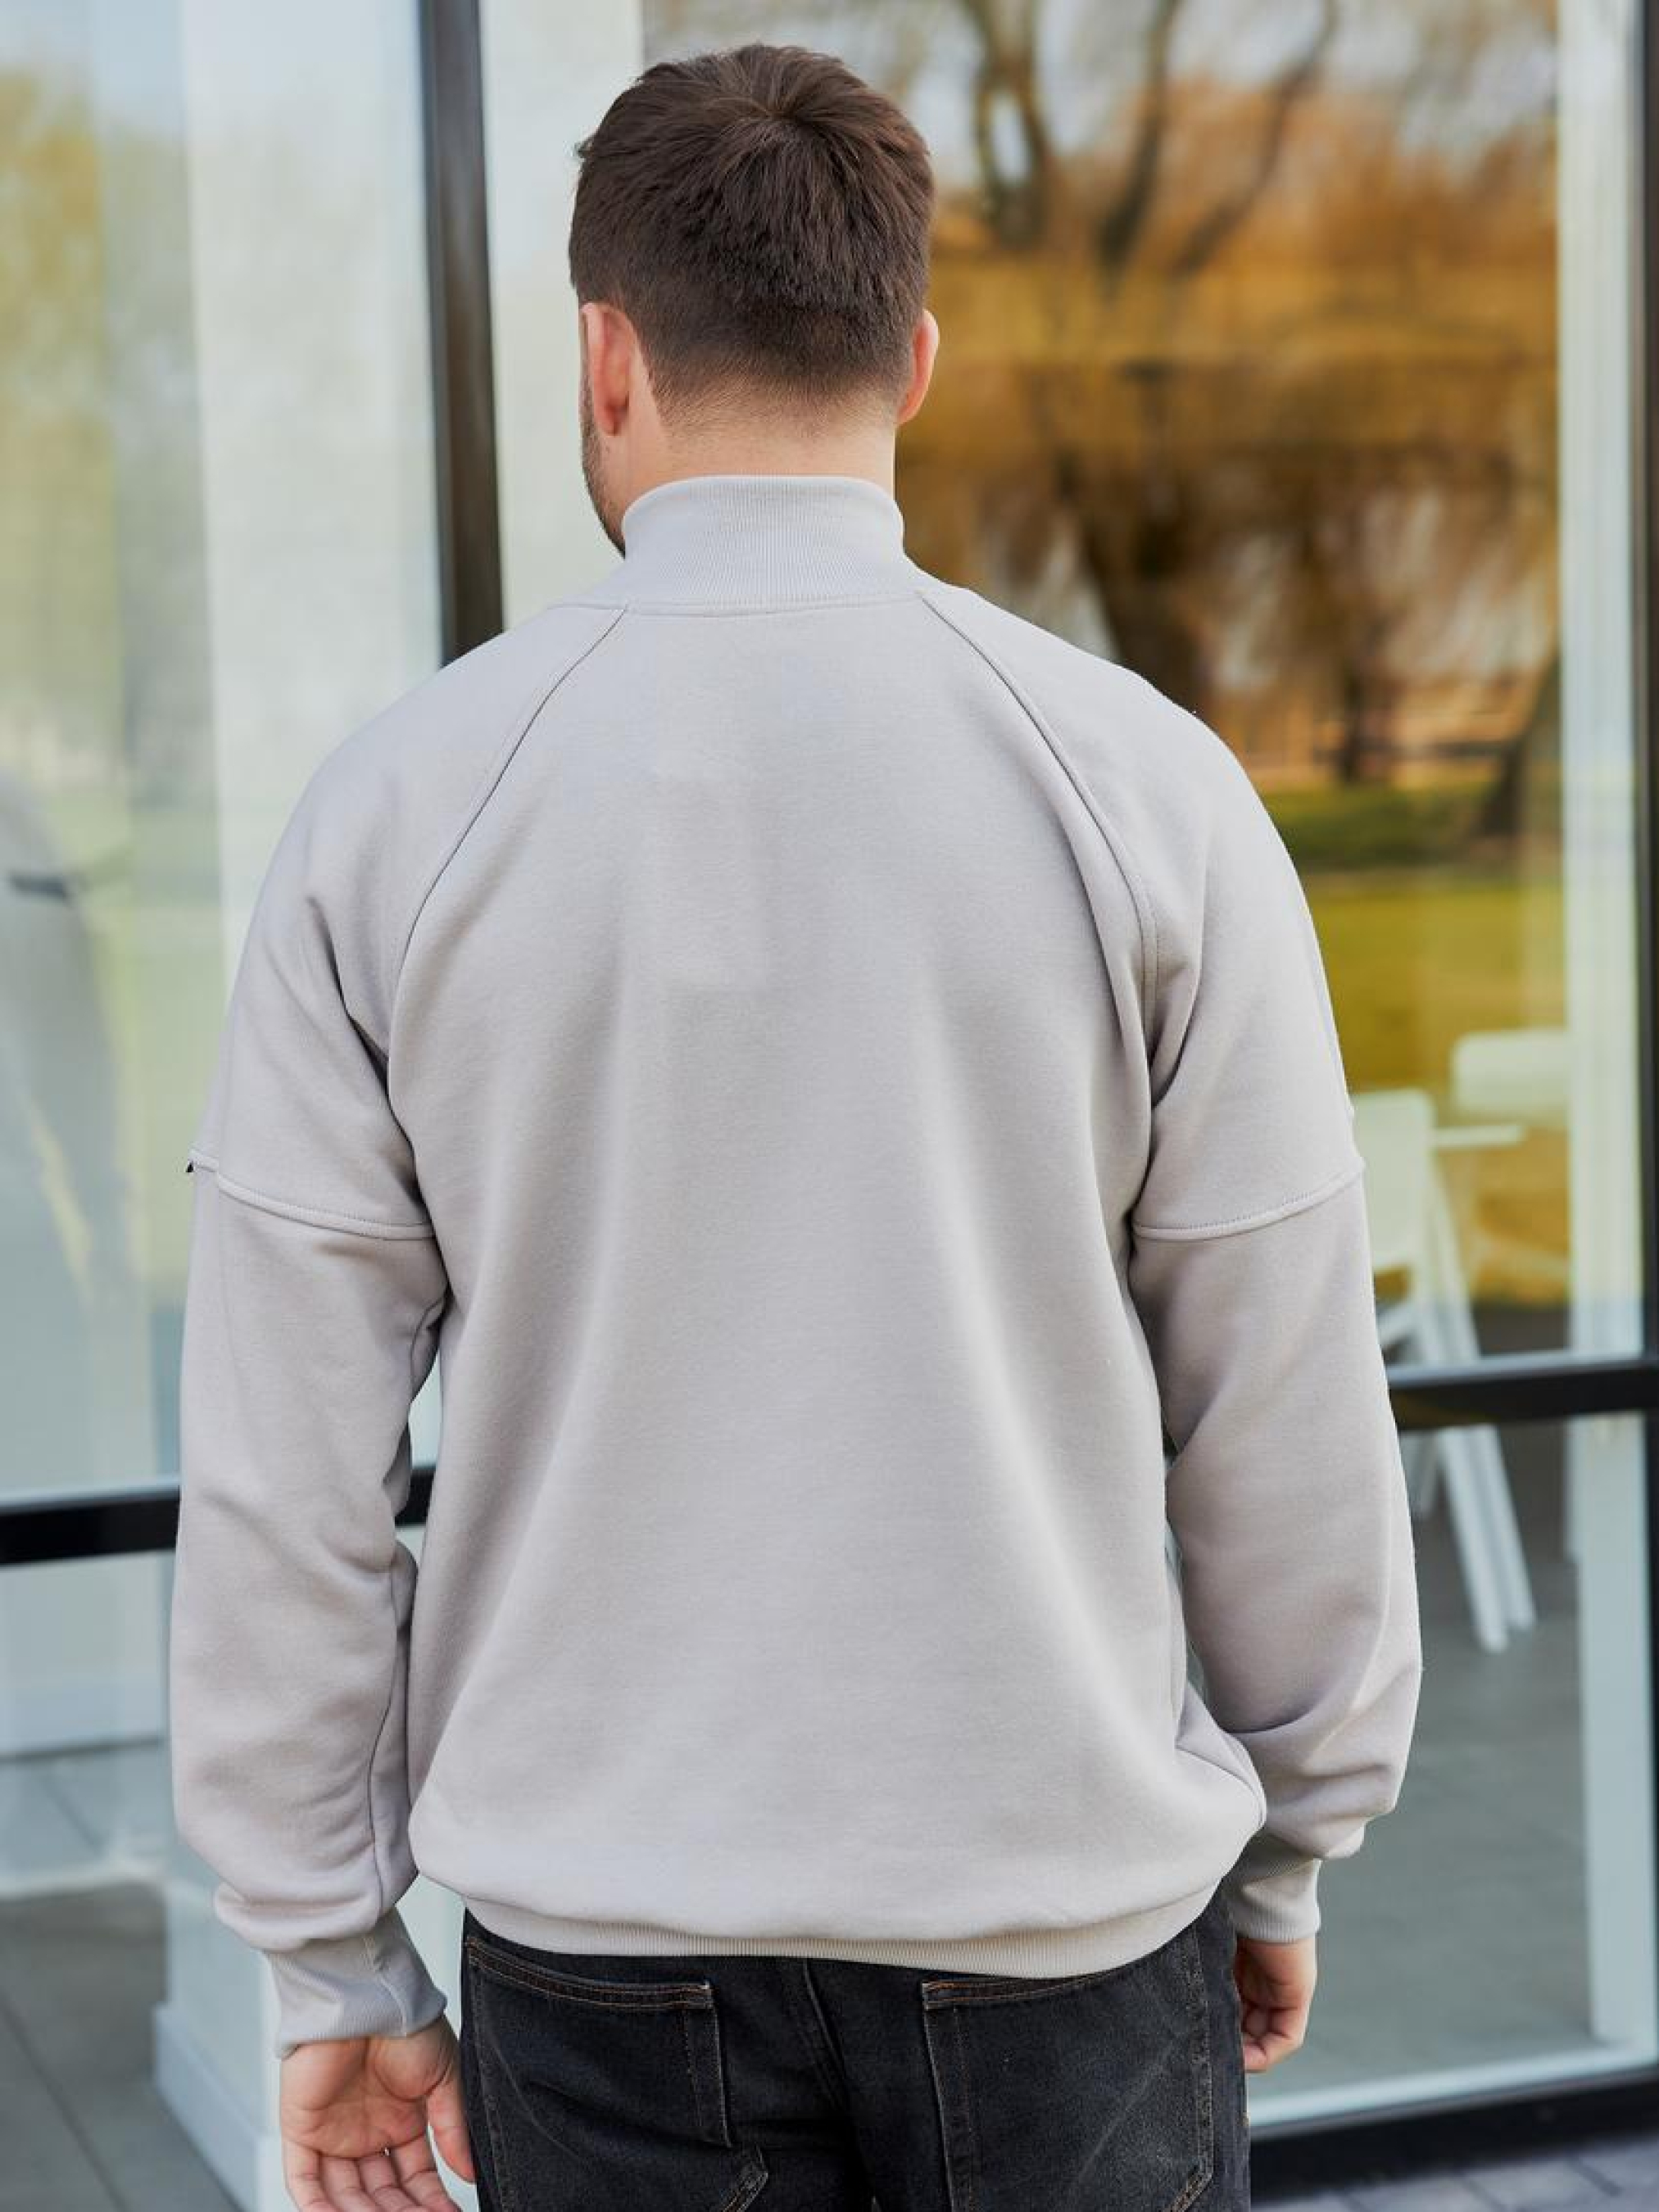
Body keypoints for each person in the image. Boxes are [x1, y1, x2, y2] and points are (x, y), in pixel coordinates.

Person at [169, 38, 1423, 2212]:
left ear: (605, 359)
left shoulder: (395, 814)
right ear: (913, 359)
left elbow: (287, 1468)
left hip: (603, 1967)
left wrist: (328, 1955)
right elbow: (1283, 1387)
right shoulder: (1145, 790)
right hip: (1064, 1936)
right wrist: (1296, 1834)